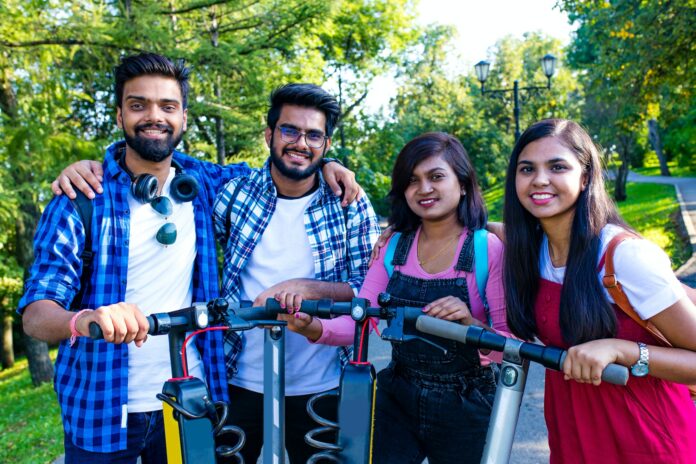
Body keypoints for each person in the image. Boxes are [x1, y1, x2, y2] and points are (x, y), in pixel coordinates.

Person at [25, 54, 358, 464]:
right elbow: (36, 315)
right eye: (138, 105)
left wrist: (332, 165)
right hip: (104, 409)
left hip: (192, 399)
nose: (154, 117)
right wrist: (85, 319)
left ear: (183, 118)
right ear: (119, 115)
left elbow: (287, 165)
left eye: (167, 106)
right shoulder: (80, 199)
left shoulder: (202, 183)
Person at [503, 118, 696, 463]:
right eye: (527, 168)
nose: (539, 180)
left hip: (648, 442)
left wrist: (622, 350)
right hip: (574, 437)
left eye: (557, 166)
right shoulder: (532, 252)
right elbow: (483, 227)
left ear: (586, 176)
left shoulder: (624, 257)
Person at [212, 83, 381, 463]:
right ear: (269, 133)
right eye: (290, 130)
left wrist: (303, 287)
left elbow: (367, 291)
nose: (301, 143)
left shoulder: (349, 203)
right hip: (240, 380)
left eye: (314, 135)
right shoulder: (234, 195)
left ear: (326, 143)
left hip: (322, 385)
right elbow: (170, 167)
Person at [358, 132, 509, 464]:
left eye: (436, 176)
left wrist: (471, 325)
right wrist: (310, 325)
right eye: (413, 180)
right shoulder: (393, 246)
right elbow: (358, 318)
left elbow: (511, 345)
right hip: (397, 394)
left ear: (464, 183)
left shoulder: (487, 249)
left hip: (467, 403)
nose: (424, 188)